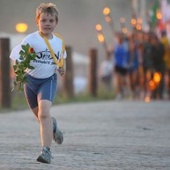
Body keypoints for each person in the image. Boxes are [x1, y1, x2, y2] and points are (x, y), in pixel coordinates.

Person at [9, 3, 67, 164]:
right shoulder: (30, 39)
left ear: (56, 23)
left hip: (48, 80)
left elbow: (62, 58)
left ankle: (46, 151)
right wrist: (18, 72)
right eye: (43, 20)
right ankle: (53, 126)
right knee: (42, 118)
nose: (47, 23)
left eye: (50, 20)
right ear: (37, 22)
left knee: (44, 113)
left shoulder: (59, 42)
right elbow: (17, 57)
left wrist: (62, 69)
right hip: (30, 82)